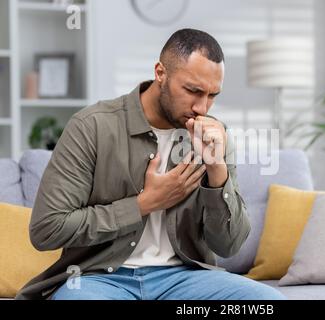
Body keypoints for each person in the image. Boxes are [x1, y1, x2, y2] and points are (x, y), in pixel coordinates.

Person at [16, 29, 286, 300]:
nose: (203, 107)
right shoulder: (92, 126)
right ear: (160, 73)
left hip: (184, 279)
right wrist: (144, 204)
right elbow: (47, 229)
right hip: (99, 278)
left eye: (212, 95)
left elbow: (229, 245)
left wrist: (218, 172)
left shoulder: (215, 136)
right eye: (193, 90)